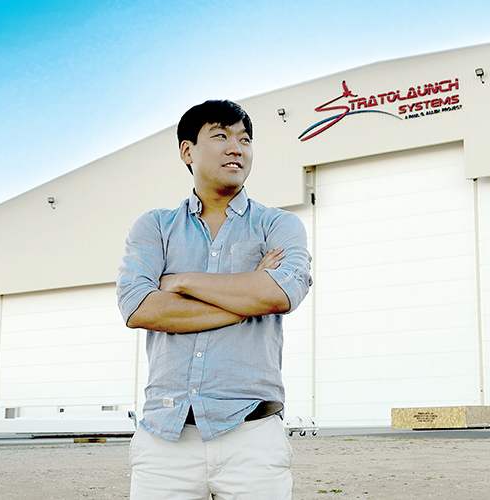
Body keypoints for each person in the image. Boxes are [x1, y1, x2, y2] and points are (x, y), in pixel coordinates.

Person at [116, 99, 312, 499]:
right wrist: (245, 293)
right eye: (221, 135)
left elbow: (278, 294)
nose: (236, 147)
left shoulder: (279, 225)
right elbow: (139, 308)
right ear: (187, 151)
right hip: (164, 439)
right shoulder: (155, 226)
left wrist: (181, 281)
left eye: (245, 139)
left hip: (252, 436)